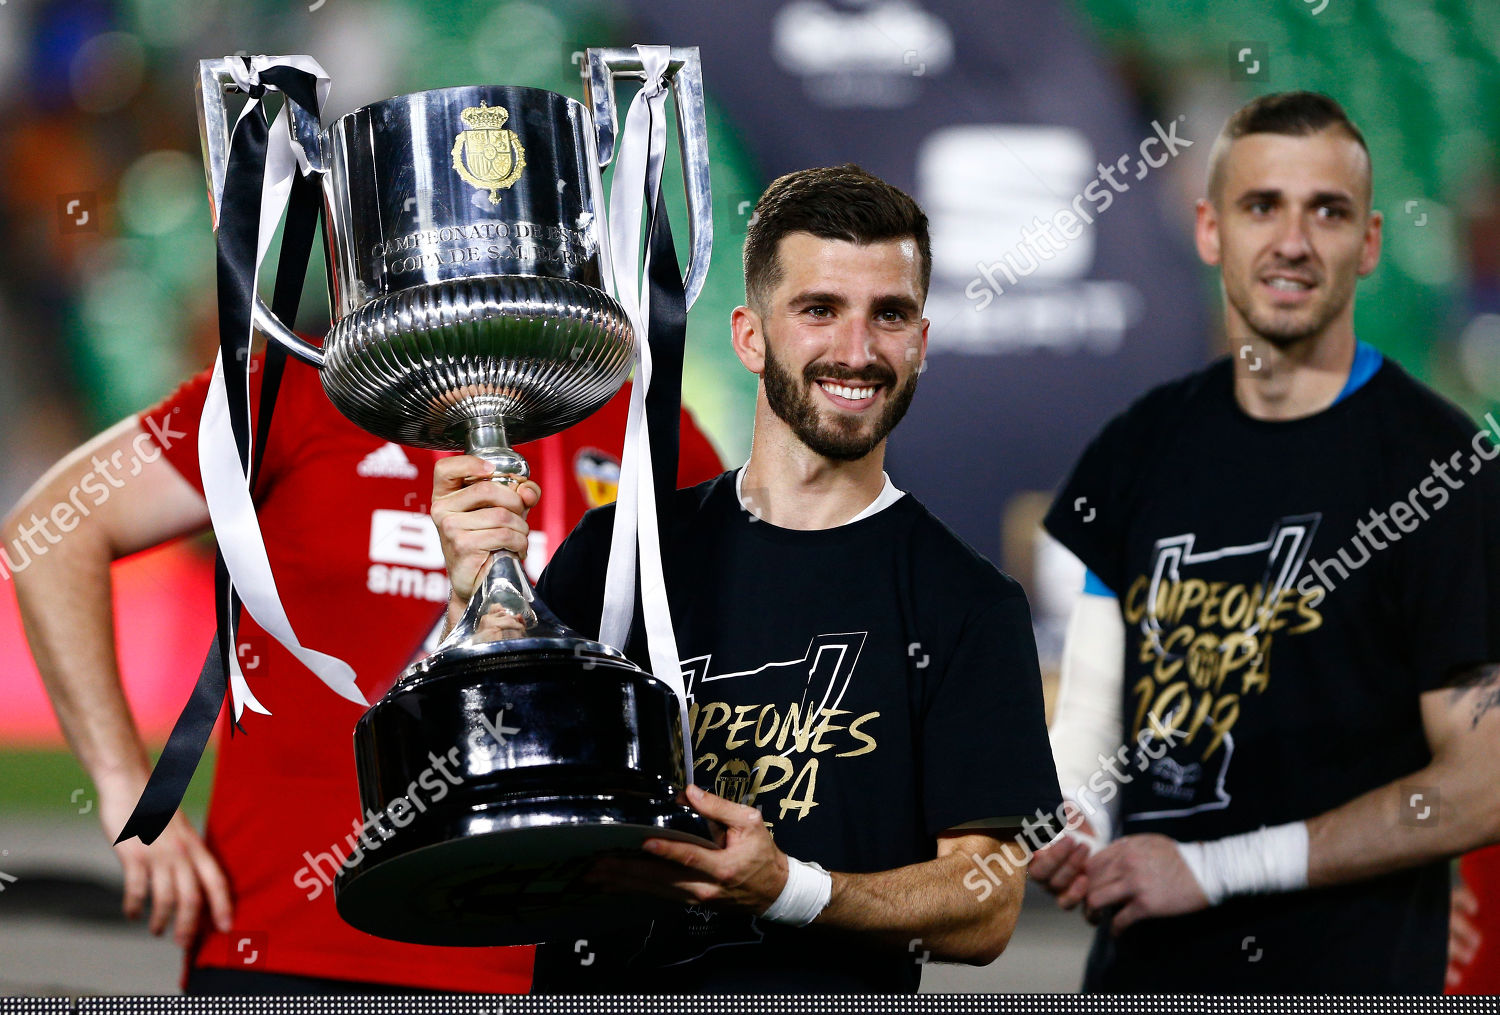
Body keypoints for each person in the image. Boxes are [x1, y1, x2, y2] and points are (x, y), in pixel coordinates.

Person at [431, 163, 1063, 993]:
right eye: (819, 309)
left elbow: (988, 906)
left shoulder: (969, 604)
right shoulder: (617, 552)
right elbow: (496, 808)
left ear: (921, 341)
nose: (857, 349)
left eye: (891, 314)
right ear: (750, 336)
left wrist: (789, 889)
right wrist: (474, 608)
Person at [4, 349, 723, 994]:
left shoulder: (644, 425)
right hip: (288, 950)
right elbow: (52, 529)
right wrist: (128, 787)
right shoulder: (298, 385)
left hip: (552, 959)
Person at [1034, 91, 1500, 993]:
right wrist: (1074, 817)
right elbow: (1091, 713)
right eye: (1262, 207)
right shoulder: (1137, 444)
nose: (1293, 240)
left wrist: (1212, 870)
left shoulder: (1444, 470)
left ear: (1368, 244)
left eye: (1327, 211)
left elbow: (1484, 779)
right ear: (1211, 231)